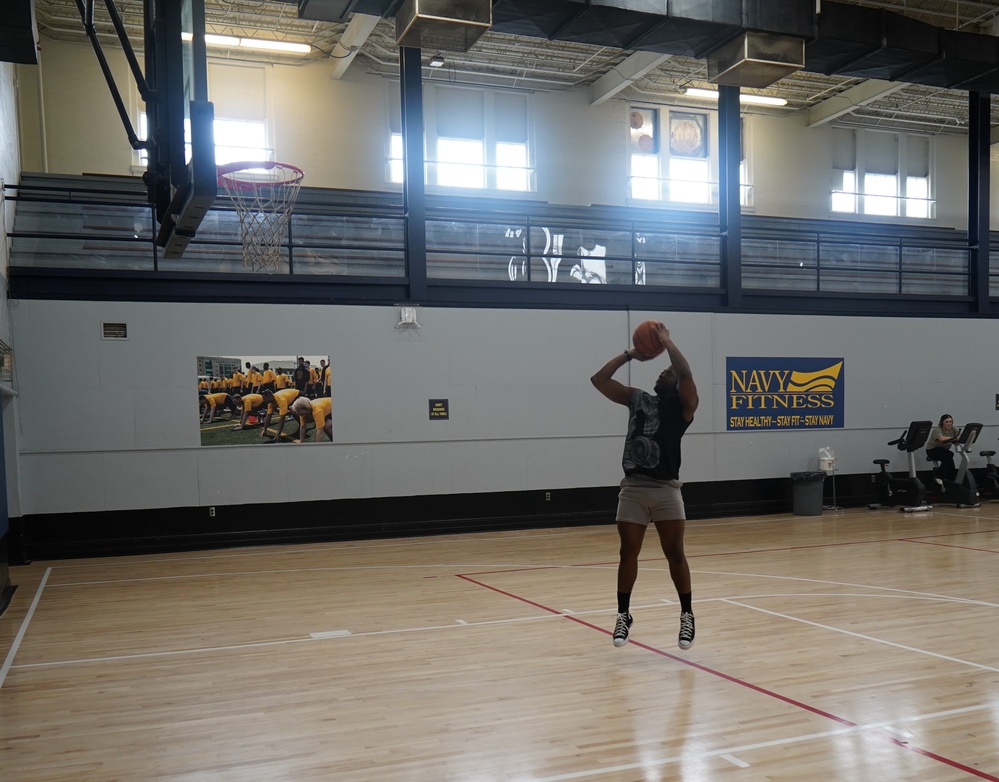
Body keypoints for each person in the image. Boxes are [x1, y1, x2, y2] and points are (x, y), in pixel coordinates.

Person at [590, 322, 699, 650]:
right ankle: (623, 614)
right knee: (627, 552)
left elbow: (686, 372)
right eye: (662, 371)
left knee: (675, 553)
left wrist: (666, 341)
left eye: (669, 373)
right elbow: (599, 380)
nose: (664, 374)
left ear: (676, 383)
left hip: (666, 488)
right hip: (634, 488)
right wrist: (629, 354)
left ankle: (687, 615)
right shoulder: (637, 399)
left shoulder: (683, 409)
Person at [926, 413, 961, 482]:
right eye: (946, 422)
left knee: (949, 460)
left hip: (943, 450)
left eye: (950, 422)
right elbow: (941, 439)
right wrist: (955, 438)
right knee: (949, 455)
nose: (949, 424)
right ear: (942, 422)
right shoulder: (937, 429)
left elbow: (960, 436)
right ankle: (939, 476)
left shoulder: (953, 428)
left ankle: (951, 479)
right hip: (932, 450)